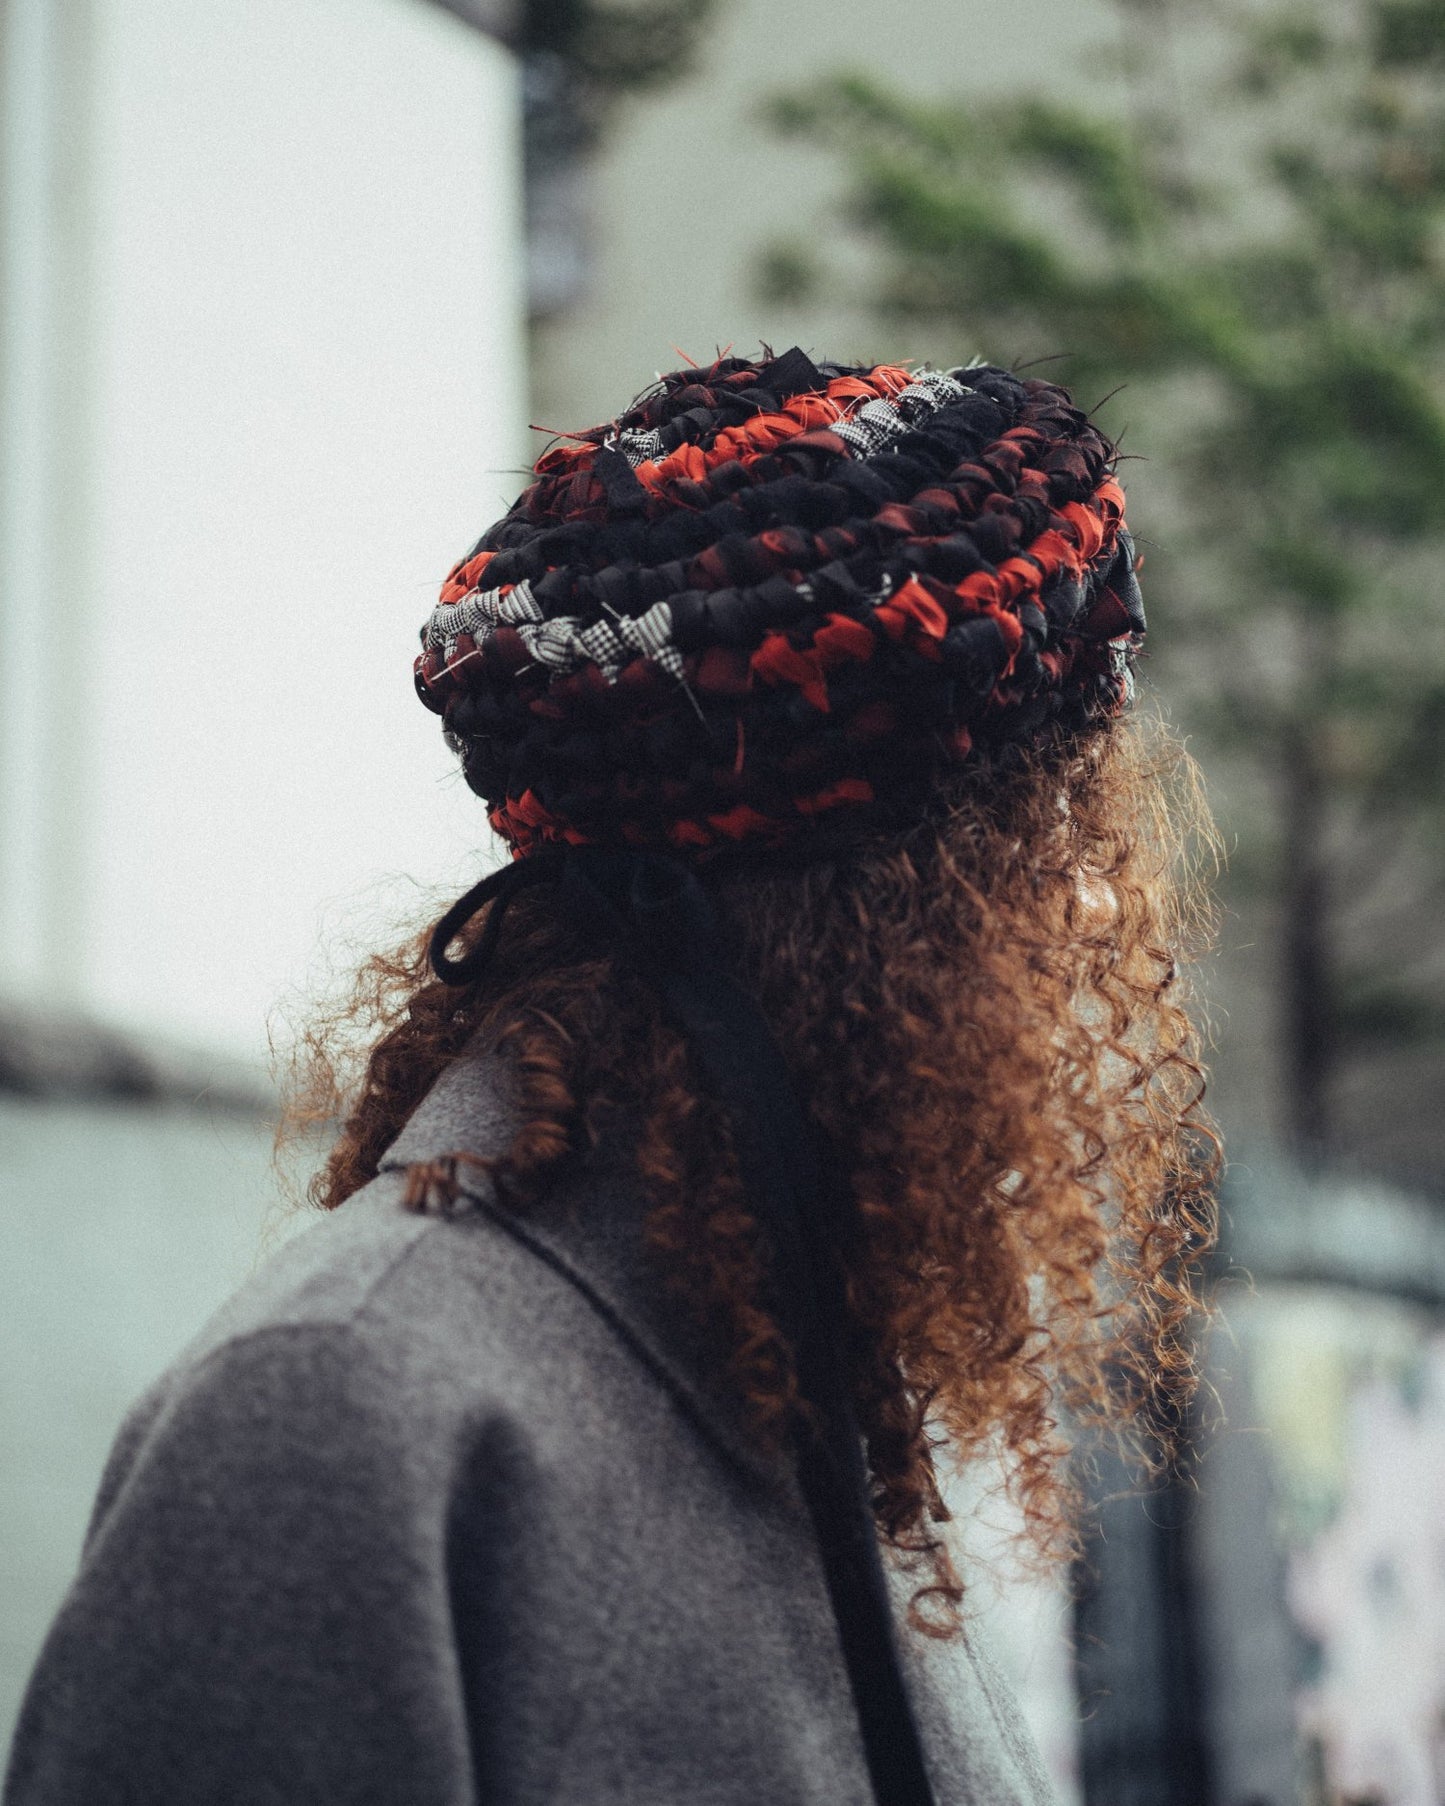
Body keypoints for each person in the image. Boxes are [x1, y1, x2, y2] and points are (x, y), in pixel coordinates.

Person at [4, 349, 1217, 1806]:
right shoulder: (340, 1408)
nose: (1096, 924)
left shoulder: (777, 1342)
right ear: (900, 912)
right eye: (1054, 853)